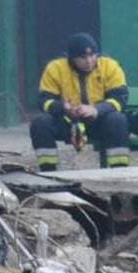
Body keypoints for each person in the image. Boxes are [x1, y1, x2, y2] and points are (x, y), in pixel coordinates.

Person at [30, 32, 131, 171]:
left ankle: (120, 171)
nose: (89, 61)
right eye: (82, 57)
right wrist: (62, 107)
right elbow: (44, 100)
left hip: (99, 121)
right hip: (68, 122)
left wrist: (96, 110)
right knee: (40, 123)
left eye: (92, 55)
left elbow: (120, 98)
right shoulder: (55, 68)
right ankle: (48, 170)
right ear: (71, 58)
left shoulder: (110, 66)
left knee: (118, 120)